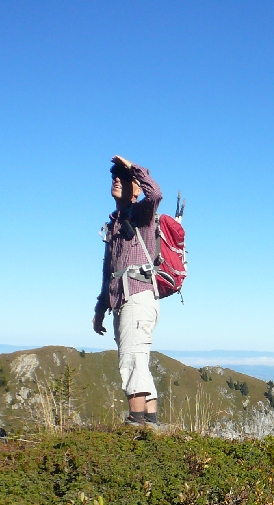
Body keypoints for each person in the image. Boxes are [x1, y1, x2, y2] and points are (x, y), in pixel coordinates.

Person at [93, 156, 163, 426]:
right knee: (139, 358)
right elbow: (107, 272)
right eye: (114, 176)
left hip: (138, 295)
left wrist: (135, 168)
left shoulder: (142, 214)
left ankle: (136, 423)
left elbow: (156, 193)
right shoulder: (113, 224)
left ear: (136, 188)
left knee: (131, 358)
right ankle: (151, 423)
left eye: (123, 178)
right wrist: (100, 308)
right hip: (123, 299)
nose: (116, 180)